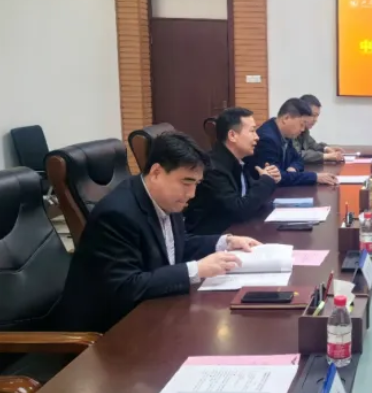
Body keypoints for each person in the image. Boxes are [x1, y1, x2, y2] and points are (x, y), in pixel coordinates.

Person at [57, 132, 261, 333]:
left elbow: (173, 245)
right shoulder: (116, 214)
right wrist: (196, 270)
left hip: (149, 314)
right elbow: (126, 287)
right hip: (109, 332)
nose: (192, 194)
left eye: (196, 184)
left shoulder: (164, 199)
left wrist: (224, 242)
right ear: (156, 172)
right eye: (186, 183)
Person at [184, 107, 282, 234]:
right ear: (232, 135)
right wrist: (266, 181)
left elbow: (250, 196)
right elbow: (239, 210)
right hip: (211, 238)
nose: (257, 137)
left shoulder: (237, 161)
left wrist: (268, 178)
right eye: (252, 131)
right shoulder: (213, 169)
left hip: (234, 232)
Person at [245, 98, 338, 186]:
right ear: (286, 118)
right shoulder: (267, 139)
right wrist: (315, 177)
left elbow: (298, 159)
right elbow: (275, 177)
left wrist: (293, 168)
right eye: (301, 124)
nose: (303, 129)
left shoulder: (285, 133)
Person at [293, 94, 344, 164]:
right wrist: (325, 156)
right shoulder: (289, 130)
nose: (315, 120)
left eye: (317, 116)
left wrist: (326, 148)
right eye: (313, 115)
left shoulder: (304, 129)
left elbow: (313, 145)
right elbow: (296, 154)